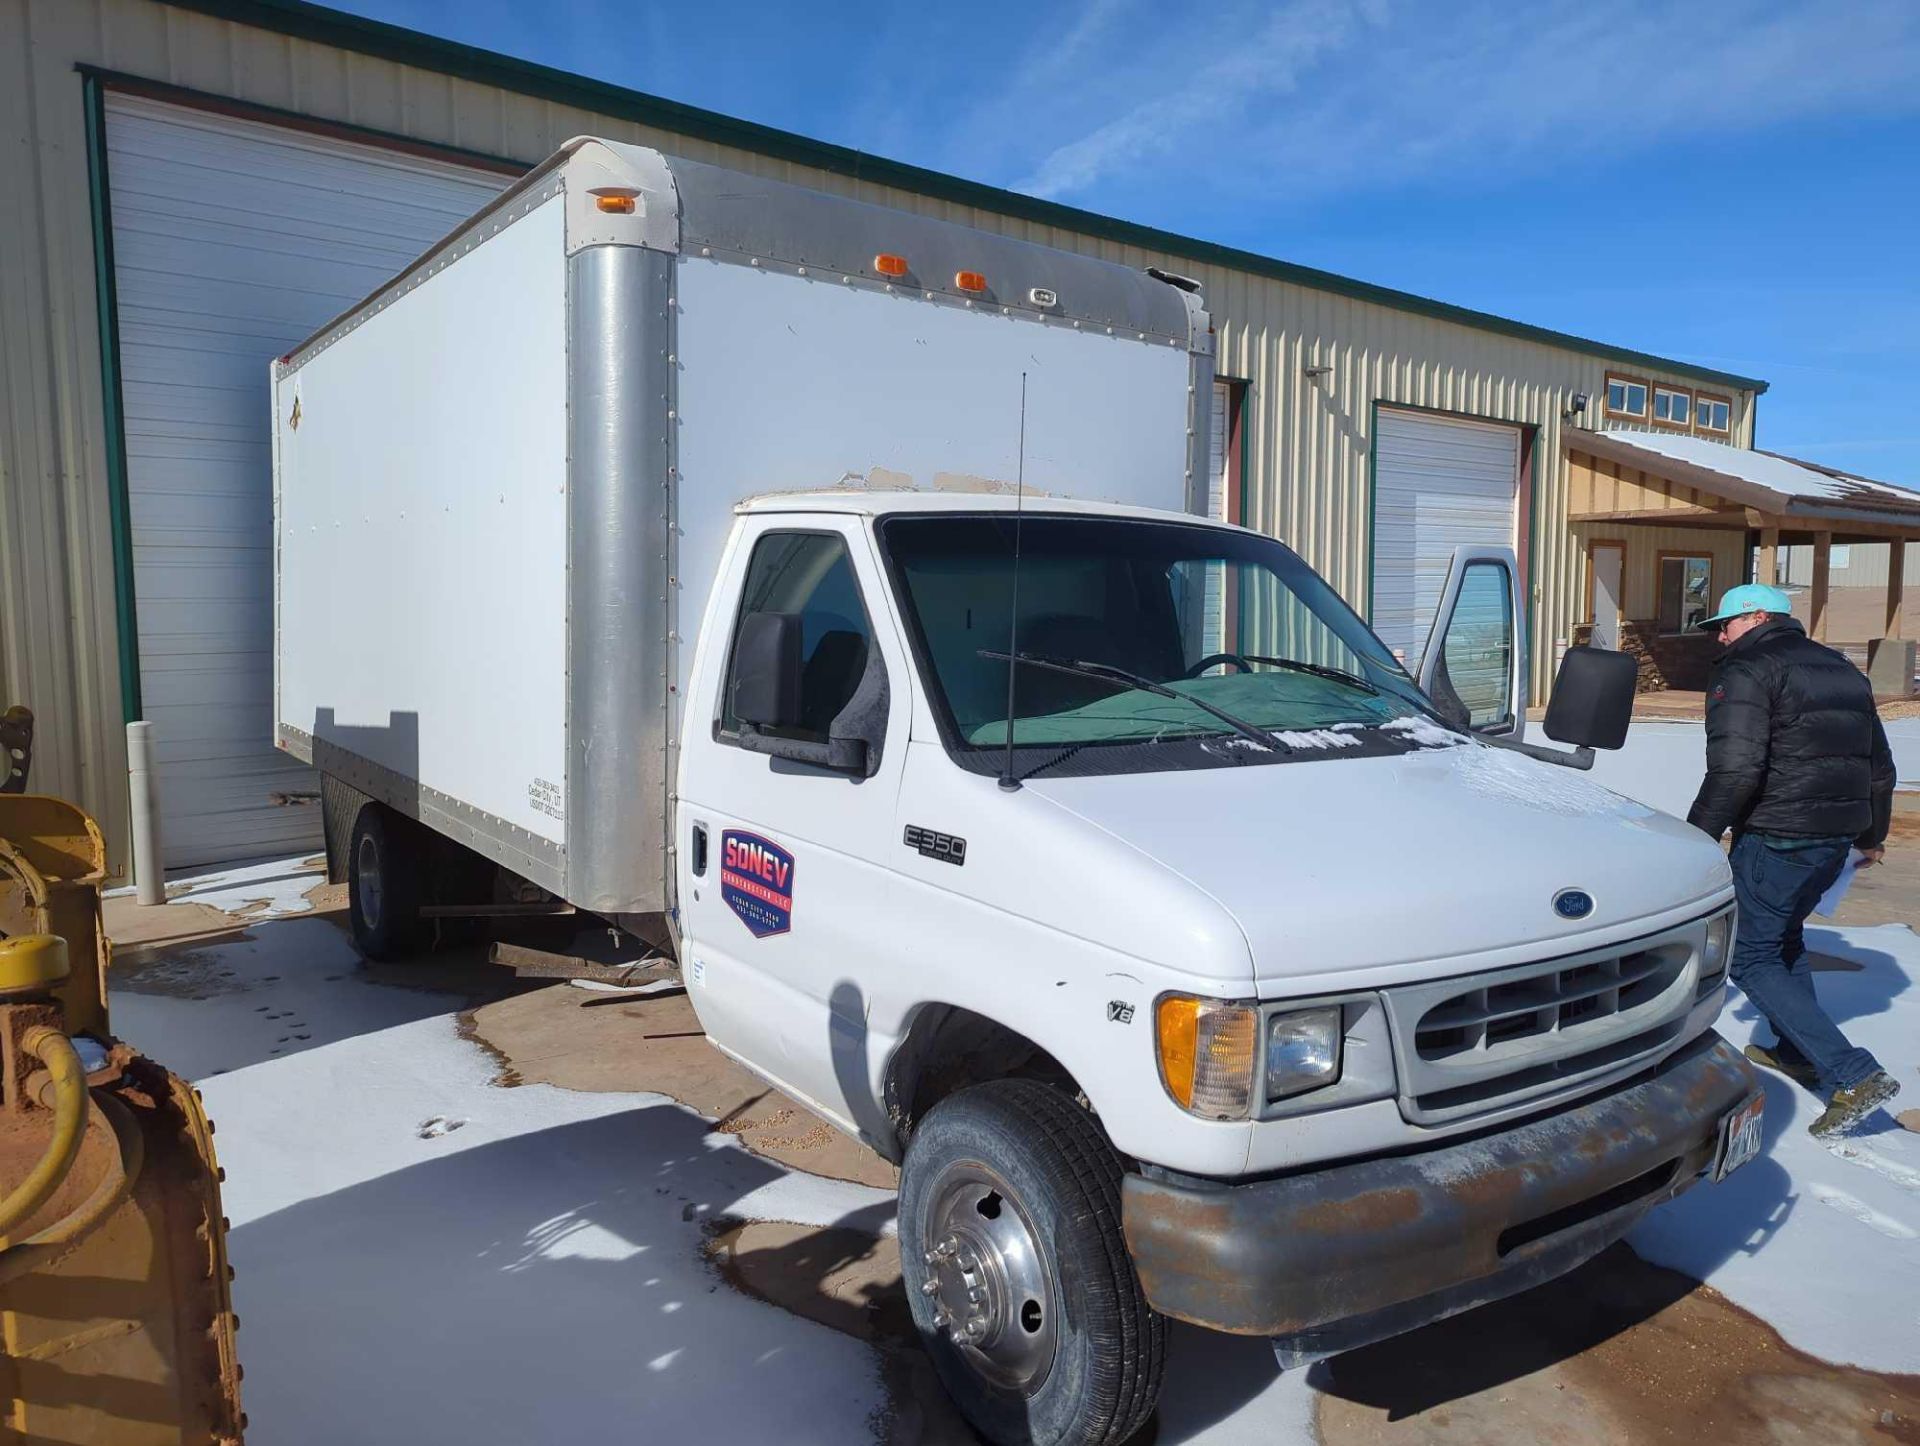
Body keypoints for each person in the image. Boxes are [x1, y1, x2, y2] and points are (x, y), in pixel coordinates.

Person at [1686, 583, 1899, 1138]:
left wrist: (1694, 841)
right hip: (1833, 836)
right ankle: (1793, 1049)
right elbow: (1880, 768)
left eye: (1725, 624)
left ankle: (1853, 1074)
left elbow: (1735, 770)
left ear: (1758, 617)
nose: (1720, 635)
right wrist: (1870, 834)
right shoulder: (1842, 668)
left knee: (1749, 956)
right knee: (1783, 939)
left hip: (1779, 833)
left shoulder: (1748, 671)